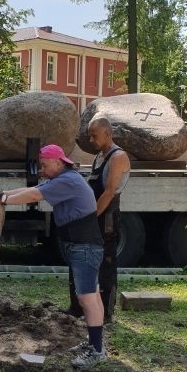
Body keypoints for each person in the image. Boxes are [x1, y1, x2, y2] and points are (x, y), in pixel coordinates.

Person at [0, 143, 106, 368]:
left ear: (58, 162)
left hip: (84, 247)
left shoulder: (68, 181)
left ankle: (97, 350)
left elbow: (34, 195)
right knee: (93, 296)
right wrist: (1, 194)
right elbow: (33, 190)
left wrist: (3, 199)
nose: (41, 169)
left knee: (87, 298)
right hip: (82, 245)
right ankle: (94, 344)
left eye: (44, 165)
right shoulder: (63, 179)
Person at [69, 117, 131, 322]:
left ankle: (105, 313)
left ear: (108, 133)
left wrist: (91, 217)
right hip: (92, 216)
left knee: (105, 265)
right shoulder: (99, 157)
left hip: (106, 220)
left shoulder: (118, 156)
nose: (91, 139)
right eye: (89, 135)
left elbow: (109, 192)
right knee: (79, 258)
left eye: (95, 135)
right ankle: (78, 308)